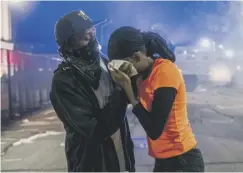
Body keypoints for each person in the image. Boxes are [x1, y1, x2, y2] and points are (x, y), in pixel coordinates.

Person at [107, 26, 205, 172]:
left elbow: (154, 129)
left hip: (183, 160)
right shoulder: (140, 75)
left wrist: (128, 88)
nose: (122, 70)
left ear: (137, 56)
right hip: (163, 160)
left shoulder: (165, 72)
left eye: (123, 64)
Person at [50, 12, 135, 172]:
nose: (91, 31)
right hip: (92, 163)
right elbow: (96, 129)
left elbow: (130, 96)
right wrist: (121, 89)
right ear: (69, 42)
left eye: (90, 27)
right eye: (83, 31)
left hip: (120, 158)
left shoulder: (104, 61)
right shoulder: (65, 79)